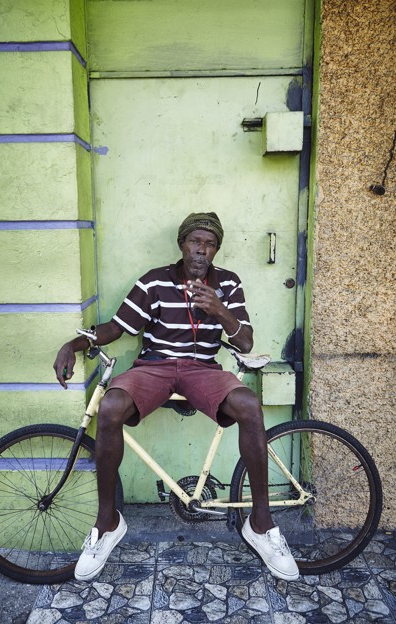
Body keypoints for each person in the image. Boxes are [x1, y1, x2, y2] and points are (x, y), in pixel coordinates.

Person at [53, 212, 299, 582]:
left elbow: (245, 341)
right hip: (156, 367)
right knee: (111, 406)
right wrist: (73, 344)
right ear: (182, 244)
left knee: (249, 404)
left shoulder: (228, 284)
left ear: (216, 249)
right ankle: (107, 522)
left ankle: (261, 524)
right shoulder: (155, 281)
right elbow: (116, 328)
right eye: (195, 242)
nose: (202, 250)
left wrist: (219, 309)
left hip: (202, 370)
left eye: (210, 244)